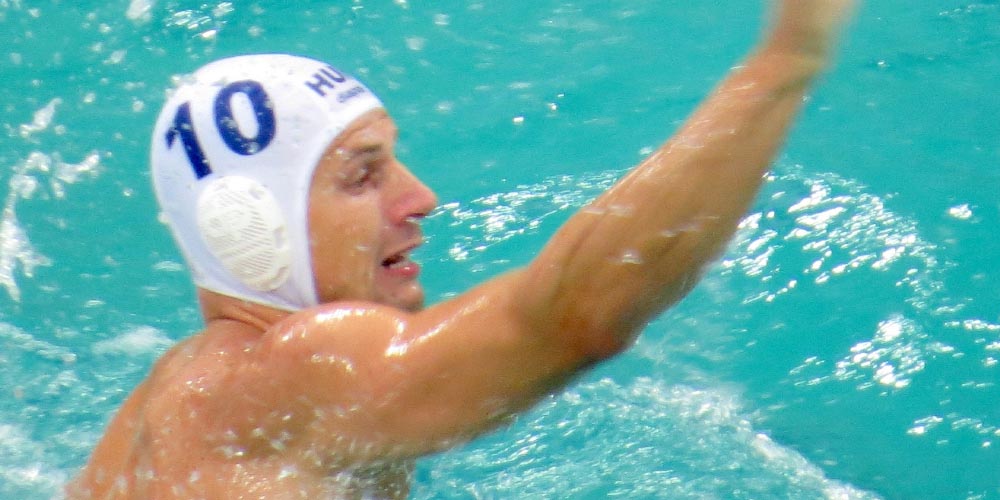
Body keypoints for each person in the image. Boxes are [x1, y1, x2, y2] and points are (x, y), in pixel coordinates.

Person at [68, 0, 856, 498]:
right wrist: (785, 62)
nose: (419, 198)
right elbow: (577, 316)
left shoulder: (170, 399)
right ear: (247, 224)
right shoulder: (295, 372)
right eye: (363, 175)